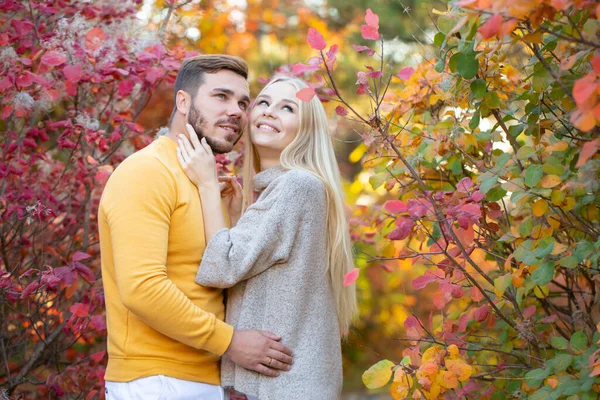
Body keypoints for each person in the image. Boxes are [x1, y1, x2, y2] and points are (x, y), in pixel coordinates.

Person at [98, 55, 293, 400]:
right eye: (221, 96)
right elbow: (142, 287)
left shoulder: (208, 187)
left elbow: (206, 281)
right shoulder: (146, 172)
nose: (236, 110)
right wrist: (230, 341)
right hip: (155, 380)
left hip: (203, 379)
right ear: (183, 101)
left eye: (242, 102)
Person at [176, 75, 358, 399]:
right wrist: (234, 220)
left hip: (285, 388)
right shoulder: (284, 189)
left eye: (287, 107)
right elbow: (255, 277)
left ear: (307, 130)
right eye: (263, 102)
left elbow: (223, 266)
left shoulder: (297, 186)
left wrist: (206, 184)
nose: (269, 111)